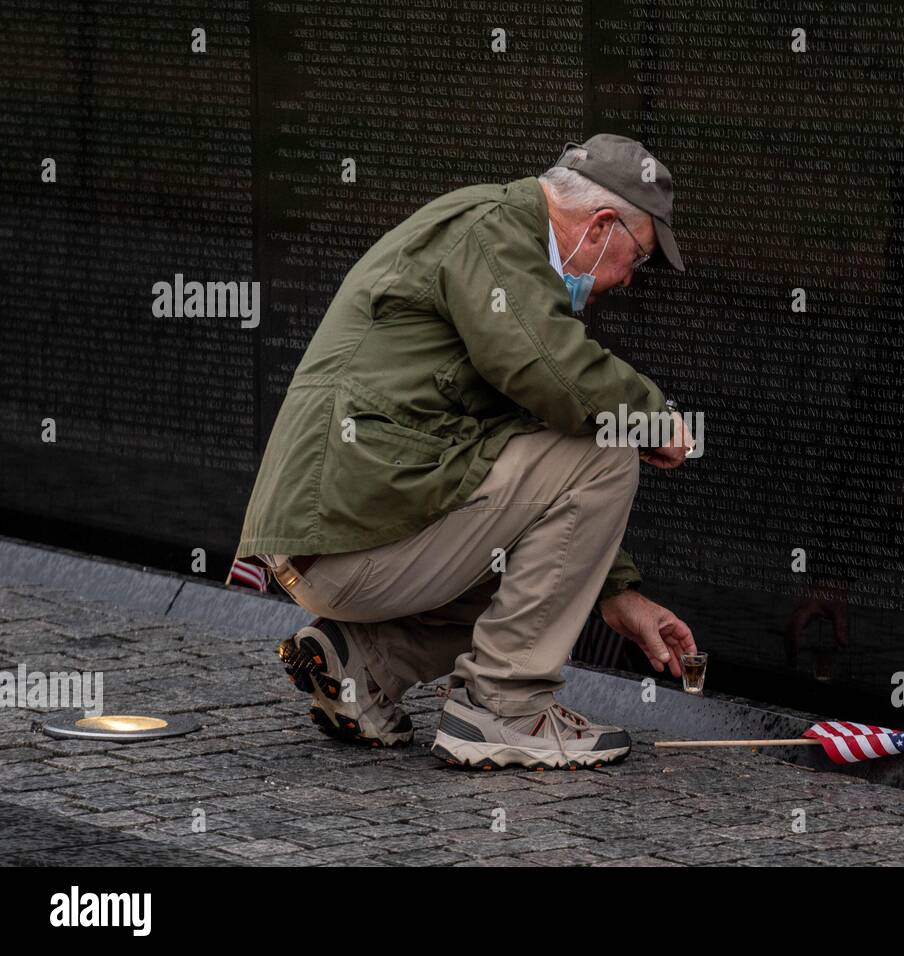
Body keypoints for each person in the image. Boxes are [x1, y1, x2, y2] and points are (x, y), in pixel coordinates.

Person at [234, 134, 697, 769]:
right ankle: (503, 710)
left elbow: (533, 490)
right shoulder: (495, 231)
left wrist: (618, 592)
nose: (623, 280)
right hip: (353, 538)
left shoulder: (492, 237)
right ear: (601, 226)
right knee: (608, 450)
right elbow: (547, 369)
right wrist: (652, 418)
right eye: (636, 259)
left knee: (540, 536)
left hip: (337, 542)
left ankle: (363, 665)